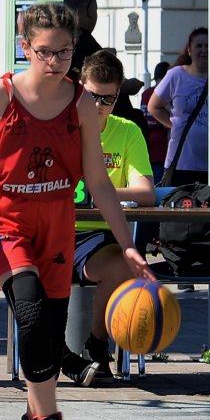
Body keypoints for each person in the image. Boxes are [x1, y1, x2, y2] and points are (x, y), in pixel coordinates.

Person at [0, 2, 152, 420]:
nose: (55, 62)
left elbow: (99, 181)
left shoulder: (83, 105)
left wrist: (127, 243)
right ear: (26, 47)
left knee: (48, 330)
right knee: (29, 311)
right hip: (2, 219)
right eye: (45, 52)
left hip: (55, 222)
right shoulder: (1, 95)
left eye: (64, 53)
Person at [60, 49, 156, 386]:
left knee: (122, 264)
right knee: (25, 270)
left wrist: (102, 193)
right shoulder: (61, 125)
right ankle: (57, 353)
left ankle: (97, 345)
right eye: (92, 97)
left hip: (99, 236)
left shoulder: (126, 131)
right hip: (56, 230)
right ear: (79, 88)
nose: (99, 106)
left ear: (118, 97)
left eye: (108, 99)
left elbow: (146, 192)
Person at [147, 27, 209, 185]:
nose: (204, 50)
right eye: (199, 46)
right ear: (189, 50)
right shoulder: (176, 75)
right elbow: (154, 106)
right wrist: (174, 124)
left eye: (208, 46)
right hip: (181, 161)